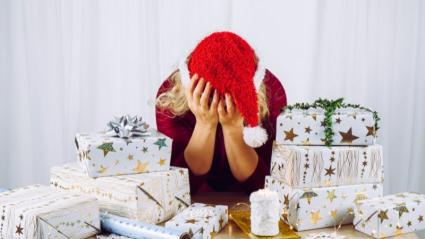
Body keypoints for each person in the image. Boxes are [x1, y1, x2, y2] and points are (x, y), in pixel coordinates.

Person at [155, 32, 287, 194]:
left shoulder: (272, 92)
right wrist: (205, 124)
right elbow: (178, 189)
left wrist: (233, 128)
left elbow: (266, 188)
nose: (218, 106)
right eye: (209, 97)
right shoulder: (169, 97)